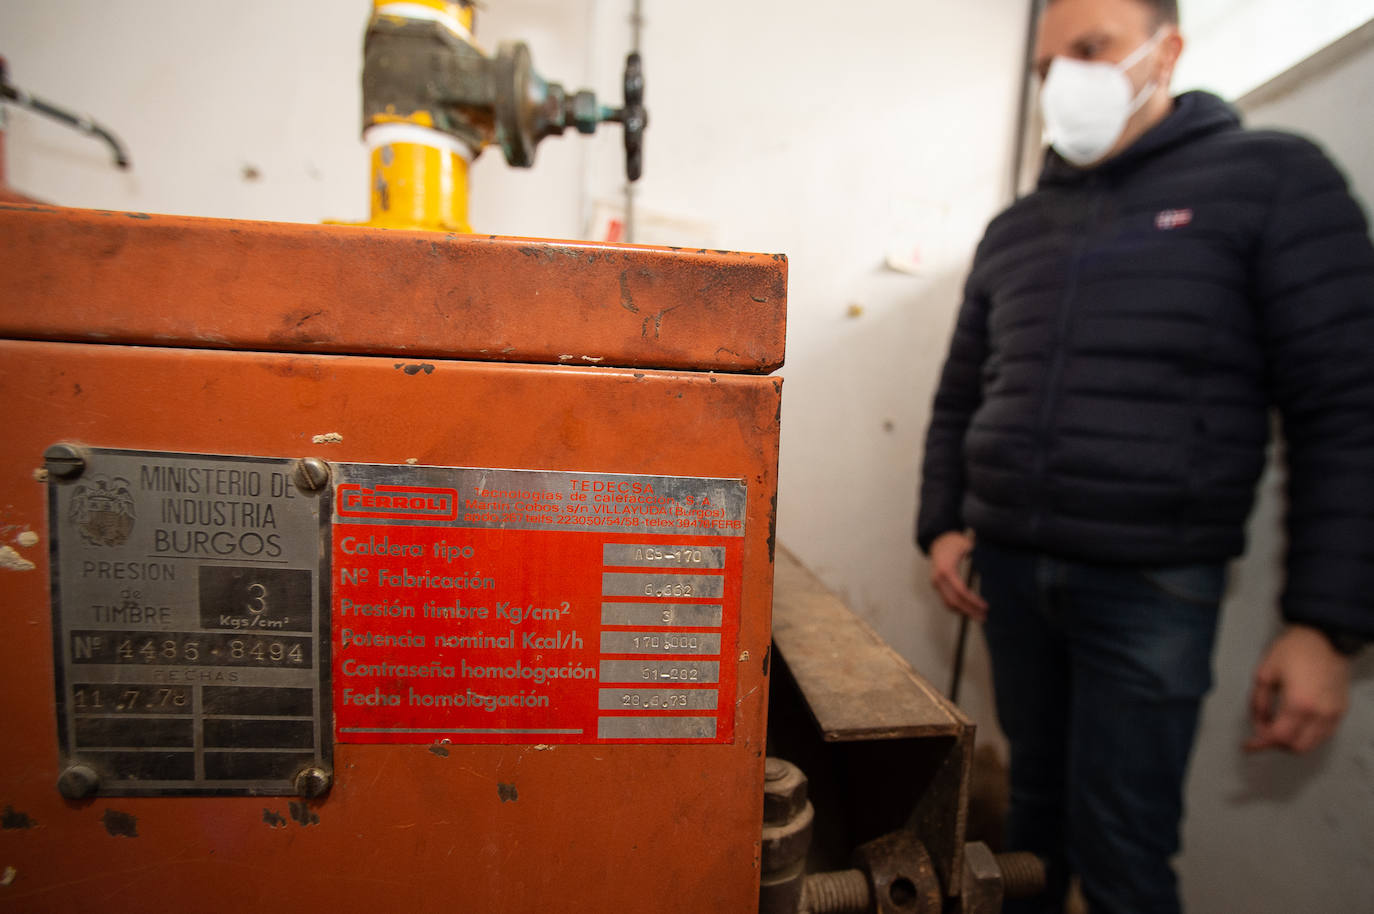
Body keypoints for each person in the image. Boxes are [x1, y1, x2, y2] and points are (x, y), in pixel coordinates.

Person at [916, 0, 1374, 911]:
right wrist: (941, 524)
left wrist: (1326, 624)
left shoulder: (1272, 179)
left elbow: (1348, 404)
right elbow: (961, 393)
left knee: (1122, 848)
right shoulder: (1017, 229)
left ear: (1167, 52)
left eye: (1093, 49)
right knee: (1029, 825)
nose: (1067, 82)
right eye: (1050, 68)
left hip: (1151, 587)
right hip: (1009, 572)